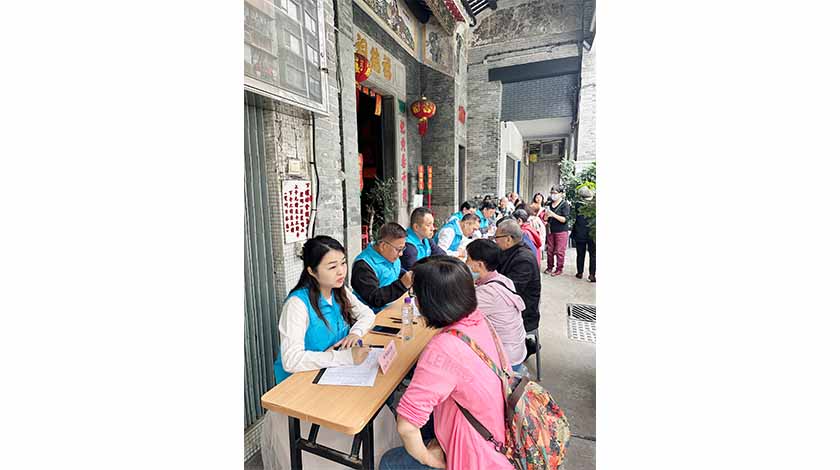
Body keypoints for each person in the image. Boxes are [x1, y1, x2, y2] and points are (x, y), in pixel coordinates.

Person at [261, 236, 401, 470]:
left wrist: (355, 333)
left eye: (343, 263)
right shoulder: (297, 305)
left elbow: (367, 314)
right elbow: (291, 360)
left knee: (374, 415)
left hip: (332, 377)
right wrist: (344, 357)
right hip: (301, 389)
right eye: (332, 266)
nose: (341, 271)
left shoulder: (340, 291)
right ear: (312, 271)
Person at [380, 256, 515, 470]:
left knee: (389, 462)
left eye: (415, 294)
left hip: (477, 457)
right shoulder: (479, 320)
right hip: (500, 433)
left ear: (430, 301)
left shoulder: (444, 347)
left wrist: (429, 458)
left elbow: (406, 426)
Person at [466, 240, 527, 372]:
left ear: (480, 264)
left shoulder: (488, 293)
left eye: (468, 259)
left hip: (505, 361)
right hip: (516, 350)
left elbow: (458, 312)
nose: (465, 263)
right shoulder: (504, 280)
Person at [351, 222, 413, 313]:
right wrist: (402, 285)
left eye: (403, 249)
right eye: (398, 249)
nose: (401, 254)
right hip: (371, 316)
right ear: (383, 246)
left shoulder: (391, 256)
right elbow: (374, 299)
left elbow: (394, 272)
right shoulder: (363, 266)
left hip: (391, 307)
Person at [493, 220, 541, 335]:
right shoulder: (511, 251)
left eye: (496, 238)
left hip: (522, 317)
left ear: (508, 239)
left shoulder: (523, 259)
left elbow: (509, 291)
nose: (495, 241)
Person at [544, 185, 571, 276]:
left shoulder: (565, 205)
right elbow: (545, 218)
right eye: (552, 193)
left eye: (555, 193)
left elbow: (565, 219)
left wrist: (553, 215)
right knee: (549, 250)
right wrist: (546, 216)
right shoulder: (548, 204)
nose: (553, 195)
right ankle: (549, 267)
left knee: (560, 251)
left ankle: (559, 268)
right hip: (550, 230)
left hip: (561, 231)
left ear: (561, 194)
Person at [572, 186, 596, 283]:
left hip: (580, 233)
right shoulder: (595, 205)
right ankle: (592, 274)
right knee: (593, 255)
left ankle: (580, 272)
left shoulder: (578, 205)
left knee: (580, 254)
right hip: (593, 233)